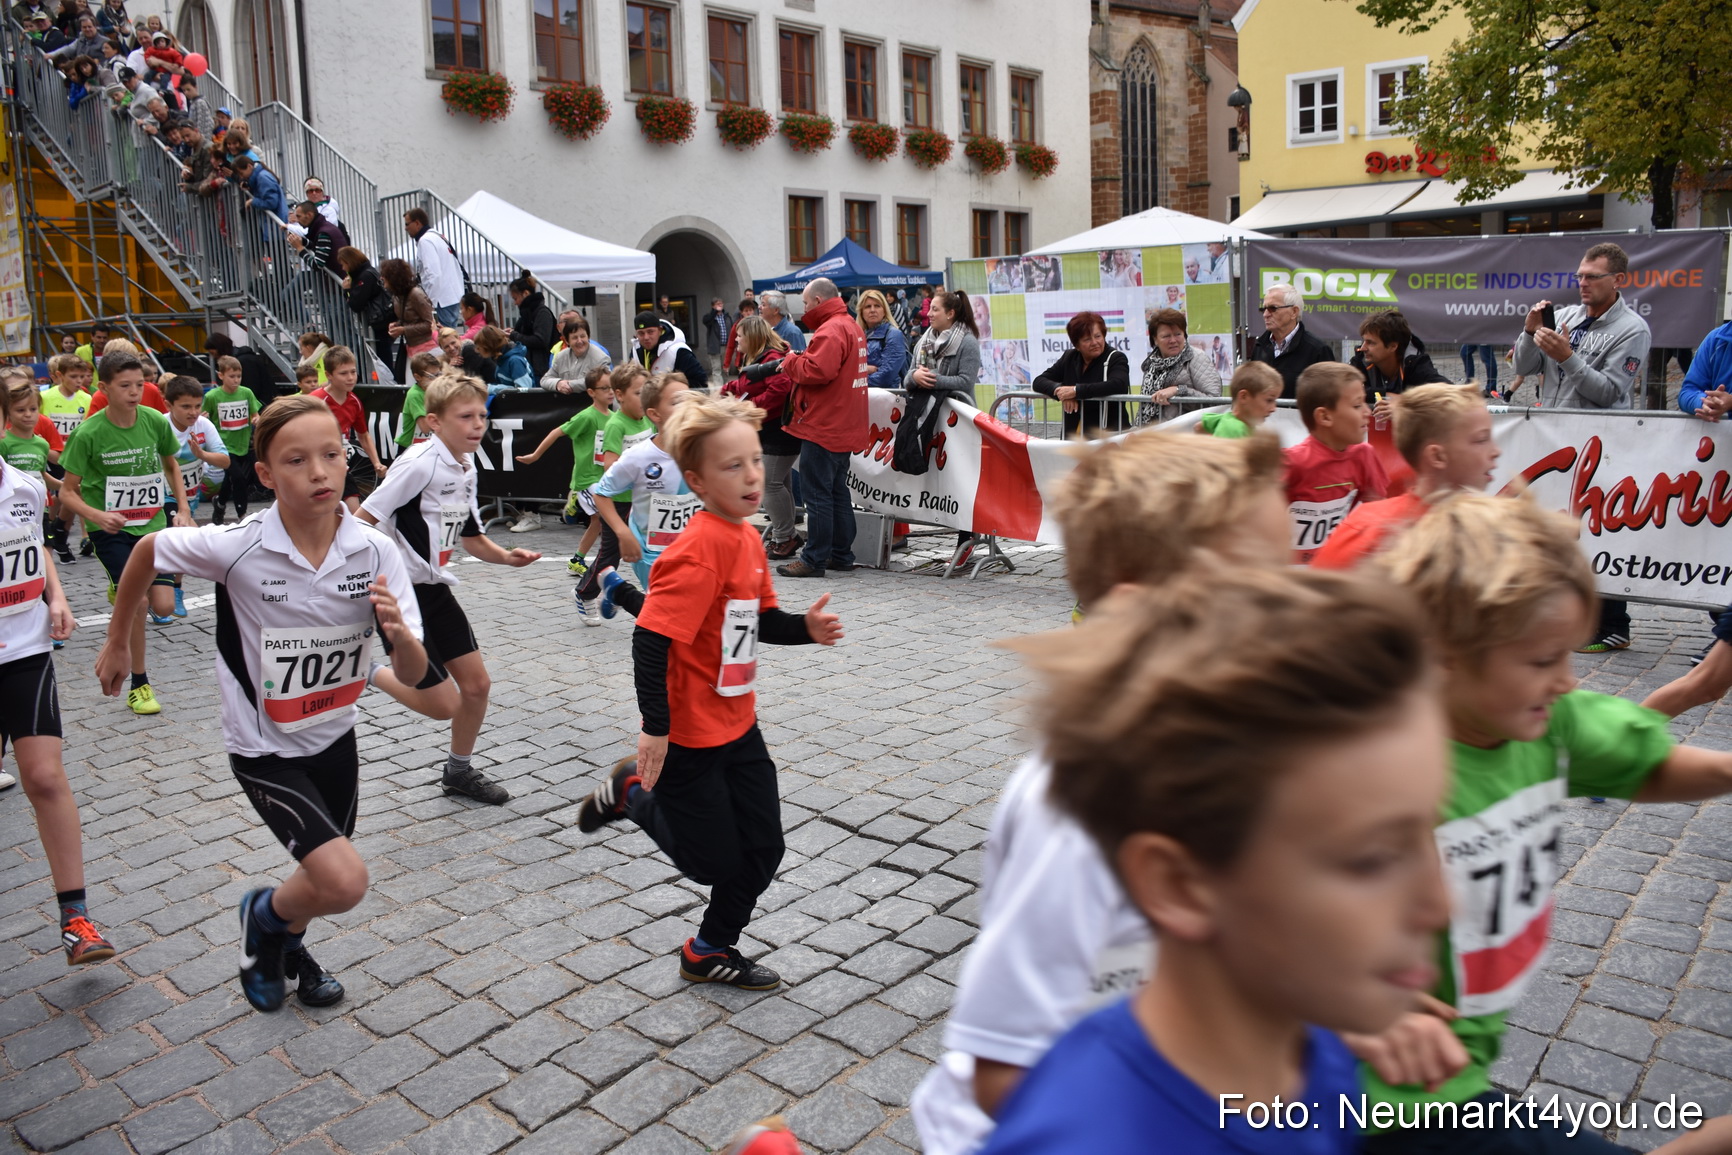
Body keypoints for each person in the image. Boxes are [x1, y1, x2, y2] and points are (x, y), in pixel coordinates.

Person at [913, 431, 1299, 1153]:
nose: (1294, 608)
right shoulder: (1081, 810)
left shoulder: (1253, 751)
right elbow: (1000, 1064)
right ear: (1136, 612)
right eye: (1262, 585)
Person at [981, 567, 1449, 1155]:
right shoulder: (1087, 1137)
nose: (1441, 904)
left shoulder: (1309, 1047)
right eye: (1372, 860)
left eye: (1427, 836)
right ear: (1180, 886)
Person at [1373, 494, 1732, 1153]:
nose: (1569, 681)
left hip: (1466, 1057)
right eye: (1543, 661)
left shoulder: (1545, 718)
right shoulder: (1371, 770)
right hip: (1395, 1096)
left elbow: (1643, 764)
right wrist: (1351, 1014)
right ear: (1445, 651)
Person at [97, 395, 436, 1015]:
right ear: (265, 474)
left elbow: (414, 677)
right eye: (298, 460)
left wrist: (402, 637)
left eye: (332, 455)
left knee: (319, 877)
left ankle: (285, 945)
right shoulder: (238, 547)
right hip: (264, 748)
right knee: (342, 879)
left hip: (336, 737)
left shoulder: (374, 551)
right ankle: (264, 921)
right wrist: (119, 639)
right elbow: (148, 553)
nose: (320, 473)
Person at [573, 392, 844, 993]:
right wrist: (655, 730)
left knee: (765, 849)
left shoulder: (747, 539)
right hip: (690, 735)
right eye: (733, 466)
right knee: (709, 862)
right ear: (695, 480)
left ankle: (707, 950)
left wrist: (804, 628)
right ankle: (632, 791)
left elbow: (758, 621)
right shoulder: (699, 551)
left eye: (754, 461)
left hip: (740, 725)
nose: (752, 476)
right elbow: (650, 642)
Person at [360, 371, 534, 806]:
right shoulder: (418, 463)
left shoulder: (465, 464)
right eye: (465, 416)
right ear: (434, 422)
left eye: (482, 415)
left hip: (434, 590)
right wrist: (376, 579)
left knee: (476, 687)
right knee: (444, 703)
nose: (478, 425)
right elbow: (364, 518)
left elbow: (472, 536)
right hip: (399, 594)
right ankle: (365, 673)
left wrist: (506, 556)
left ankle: (458, 772)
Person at [0, 377, 110, 958]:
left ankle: (77, 920)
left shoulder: (21, 485)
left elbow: (33, 545)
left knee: (44, 776)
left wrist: (57, 596)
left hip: (23, 647)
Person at [1514, 241, 1652, 654]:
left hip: (1603, 444)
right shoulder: (1569, 317)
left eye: (1593, 276)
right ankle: (1563, 612)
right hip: (1558, 440)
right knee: (1558, 529)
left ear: (1618, 280)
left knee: (1599, 530)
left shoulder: (1632, 329)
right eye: (1580, 276)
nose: (1583, 283)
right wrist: (1527, 331)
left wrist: (1570, 358)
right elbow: (1524, 367)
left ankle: (1613, 623)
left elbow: (1609, 392)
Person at [58, 349, 192, 715]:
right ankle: (140, 684)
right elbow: (67, 492)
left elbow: (172, 467)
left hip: (152, 527)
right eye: (125, 386)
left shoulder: (154, 421)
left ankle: (122, 590)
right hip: (112, 532)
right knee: (139, 604)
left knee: (164, 605)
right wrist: (97, 516)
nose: (134, 392)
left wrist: (181, 509)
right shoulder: (89, 433)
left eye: (140, 385)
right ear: (104, 388)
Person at [738, 278, 865, 579]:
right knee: (836, 492)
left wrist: (793, 360)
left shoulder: (832, 329)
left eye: (806, 303)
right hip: (841, 423)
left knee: (817, 494)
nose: (804, 309)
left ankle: (814, 559)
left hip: (824, 424)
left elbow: (817, 370)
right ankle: (841, 554)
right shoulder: (848, 325)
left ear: (819, 301)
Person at [1313, 384, 1499, 571]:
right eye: (1481, 440)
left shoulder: (1494, 528)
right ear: (1437, 456)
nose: (1495, 451)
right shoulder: (1371, 535)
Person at [590, 374, 696, 617]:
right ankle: (621, 593)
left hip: (693, 546)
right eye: (676, 401)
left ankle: (617, 589)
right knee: (669, 613)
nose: (687, 405)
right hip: (651, 550)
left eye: (688, 398)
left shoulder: (704, 447)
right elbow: (602, 493)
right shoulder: (638, 457)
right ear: (655, 415)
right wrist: (622, 532)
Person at [1285, 362, 1388, 564]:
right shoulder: (1293, 463)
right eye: (1357, 405)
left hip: (1333, 568)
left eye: (1366, 403)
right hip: (1289, 577)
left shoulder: (1364, 456)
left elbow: (1378, 514)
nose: (1368, 412)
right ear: (1324, 416)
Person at [574, 364, 654, 623]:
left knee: (652, 549)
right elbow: (609, 465)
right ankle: (585, 593)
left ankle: (642, 596)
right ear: (619, 395)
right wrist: (636, 472)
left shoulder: (648, 419)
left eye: (647, 392)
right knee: (611, 554)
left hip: (644, 500)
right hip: (617, 502)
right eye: (638, 393)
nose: (644, 399)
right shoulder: (616, 424)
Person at [516, 364, 615, 570]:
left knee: (597, 522)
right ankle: (604, 565)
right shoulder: (586, 417)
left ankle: (577, 560)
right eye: (604, 388)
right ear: (591, 392)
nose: (610, 391)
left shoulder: (614, 419)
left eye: (612, 387)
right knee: (607, 521)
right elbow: (556, 432)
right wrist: (535, 456)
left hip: (604, 478)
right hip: (587, 480)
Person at [724, 315, 801, 560]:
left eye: (739, 335)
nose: (736, 340)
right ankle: (786, 535)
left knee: (769, 484)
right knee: (779, 484)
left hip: (779, 432)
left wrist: (744, 407)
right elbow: (748, 384)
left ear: (752, 337)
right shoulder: (761, 357)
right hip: (769, 430)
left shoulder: (772, 357)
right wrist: (728, 390)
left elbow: (778, 392)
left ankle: (784, 537)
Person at [160, 376, 230, 617]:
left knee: (179, 543)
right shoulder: (160, 426)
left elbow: (225, 460)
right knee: (182, 535)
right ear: (169, 405)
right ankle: (167, 593)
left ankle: (173, 590)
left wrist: (202, 454)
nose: (193, 412)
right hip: (162, 495)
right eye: (186, 407)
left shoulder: (203, 425)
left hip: (190, 495)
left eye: (197, 406)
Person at [1031, 311, 1130, 439]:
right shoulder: (1069, 357)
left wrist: (1076, 391)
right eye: (1087, 339)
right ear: (1077, 345)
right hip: (1073, 436)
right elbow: (1039, 381)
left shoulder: (1115, 358)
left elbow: (1118, 385)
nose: (1094, 342)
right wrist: (1062, 392)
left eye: (1098, 336)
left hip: (1107, 436)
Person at [311, 346, 385, 509]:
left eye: (353, 372)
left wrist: (376, 463)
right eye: (343, 373)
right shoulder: (316, 401)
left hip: (339, 464)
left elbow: (364, 436)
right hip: (315, 467)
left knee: (354, 512)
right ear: (329, 375)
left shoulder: (355, 402)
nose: (350, 378)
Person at [1351, 310, 1450, 427]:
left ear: (1393, 346)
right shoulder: (1361, 361)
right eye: (1363, 341)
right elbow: (1344, 391)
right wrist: (1387, 395)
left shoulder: (1415, 364)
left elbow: (1449, 393)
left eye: (1371, 343)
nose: (1363, 348)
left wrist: (1405, 403)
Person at [200, 354, 261, 526]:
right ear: (221, 376)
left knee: (231, 479)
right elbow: (204, 419)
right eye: (231, 376)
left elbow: (255, 414)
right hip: (223, 446)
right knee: (238, 477)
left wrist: (256, 419)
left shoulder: (246, 393)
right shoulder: (212, 397)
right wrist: (201, 419)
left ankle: (219, 503)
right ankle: (242, 514)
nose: (236, 380)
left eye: (238, 376)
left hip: (242, 443)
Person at [1136, 307, 1222, 425]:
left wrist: (1178, 390)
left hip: (1186, 435)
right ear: (1155, 339)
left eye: (1178, 334)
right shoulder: (1152, 363)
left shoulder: (1196, 357)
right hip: (1155, 433)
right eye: (1166, 336)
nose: (1173, 340)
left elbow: (1214, 401)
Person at [1251, 282, 1337, 398]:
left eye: (1272, 308)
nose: (1265, 314)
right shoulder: (1259, 347)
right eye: (1263, 309)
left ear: (1294, 312)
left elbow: (1330, 396)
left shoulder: (1317, 350)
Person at [403, 207, 465, 328]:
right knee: (449, 337)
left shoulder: (425, 241)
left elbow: (433, 274)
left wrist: (429, 303)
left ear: (417, 223)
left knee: (444, 341)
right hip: (451, 297)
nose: (405, 228)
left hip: (440, 300)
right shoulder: (437, 236)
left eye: (407, 224)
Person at [339, 246, 395, 371]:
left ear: (350, 262)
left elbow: (356, 304)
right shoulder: (367, 272)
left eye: (344, 264)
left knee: (382, 358)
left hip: (379, 321)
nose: (343, 268)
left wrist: (347, 291)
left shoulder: (365, 276)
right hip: (380, 320)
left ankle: (388, 385)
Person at [380, 256, 438, 371]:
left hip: (427, 347)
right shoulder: (397, 295)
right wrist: (397, 325)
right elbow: (407, 318)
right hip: (411, 347)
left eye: (384, 276)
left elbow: (430, 324)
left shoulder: (416, 295)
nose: (381, 278)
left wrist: (403, 329)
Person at [1197, 361, 1281, 439]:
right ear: (1244, 397)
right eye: (1269, 400)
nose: (1273, 408)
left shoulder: (1229, 419)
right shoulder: (1233, 430)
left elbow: (1199, 426)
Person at [632, 310, 709, 388]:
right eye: (641, 333)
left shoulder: (678, 350)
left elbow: (701, 383)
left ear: (660, 330)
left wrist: (669, 390)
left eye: (650, 332)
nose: (646, 337)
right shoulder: (635, 351)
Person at [541, 315, 609, 394]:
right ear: (567, 341)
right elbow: (544, 380)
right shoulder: (560, 357)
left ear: (588, 337)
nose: (579, 341)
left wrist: (569, 385)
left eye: (582, 336)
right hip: (565, 404)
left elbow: (597, 381)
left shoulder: (601, 358)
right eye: (574, 338)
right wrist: (558, 384)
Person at [507, 272, 556, 379]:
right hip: (532, 367)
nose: (515, 303)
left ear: (525, 293)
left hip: (540, 370)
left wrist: (514, 335)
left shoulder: (542, 313)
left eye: (515, 298)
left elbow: (540, 340)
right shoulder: (528, 314)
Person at [859, 289, 908, 390]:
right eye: (868, 306)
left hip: (887, 398)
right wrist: (865, 369)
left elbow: (886, 375)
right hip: (862, 396)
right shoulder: (858, 336)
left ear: (884, 310)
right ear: (861, 312)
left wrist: (857, 380)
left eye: (877, 306)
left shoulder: (893, 334)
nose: (872, 310)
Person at [395, 351, 443, 453]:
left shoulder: (434, 390)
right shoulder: (415, 394)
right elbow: (425, 427)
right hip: (410, 448)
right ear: (418, 377)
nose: (437, 380)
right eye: (431, 376)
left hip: (428, 445)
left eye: (439, 374)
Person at [286, 200, 344, 274]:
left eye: (299, 216)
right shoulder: (324, 227)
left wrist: (299, 248)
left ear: (309, 215)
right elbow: (318, 246)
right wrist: (302, 241)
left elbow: (317, 264)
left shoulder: (324, 233)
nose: (297, 220)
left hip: (337, 281)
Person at [474, 325, 533, 392]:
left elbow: (524, 389)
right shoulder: (501, 360)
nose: (476, 351)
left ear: (488, 347)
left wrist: (491, 388)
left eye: (479, 348)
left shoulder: (515, 361)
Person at [722, 297, 758, 373]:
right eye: (746, 311)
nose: (748, 313)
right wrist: (726, 364)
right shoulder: (737, 326)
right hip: (742, 359)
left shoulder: (759, 324)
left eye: (750, 310)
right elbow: (730, 346)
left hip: (757, 357)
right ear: (741, 312)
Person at [701, 297, 731, 382]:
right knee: (717, 370)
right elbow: (706, 321)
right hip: (715, 347)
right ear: (713, 306)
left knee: (725, 369)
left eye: (721, 304)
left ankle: (726, 389)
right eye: (717, 304)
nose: (720, 305)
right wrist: (714, 312)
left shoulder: (727, 316)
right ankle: (719, 391)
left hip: (726, 347)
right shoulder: (709, 317)